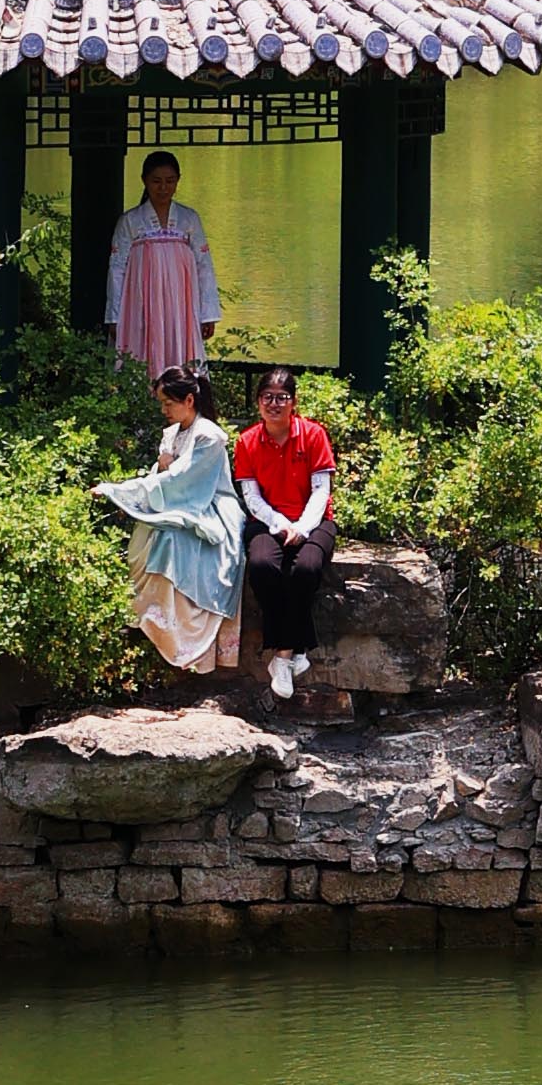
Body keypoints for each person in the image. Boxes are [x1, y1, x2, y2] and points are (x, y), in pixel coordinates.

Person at [101, 366, 243, 678]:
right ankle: (151, 614)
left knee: (171, 541)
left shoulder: (209, 435)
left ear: (189, 400)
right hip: (181, 501)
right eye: (162, 404)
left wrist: (120, 489)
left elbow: (182, 480)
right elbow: (164, 477)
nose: (164, 410)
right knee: (148, 534)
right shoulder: (172, 433)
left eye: (168, 403)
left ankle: (169, 624)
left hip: (210, 504)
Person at [230, 366, 339, 706]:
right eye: (268, 398)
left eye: (282, 398)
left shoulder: (313, 435)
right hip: (267, 521)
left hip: (314, 518)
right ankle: (298, 648)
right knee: (262, 566)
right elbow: (251, 497)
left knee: (306, 568)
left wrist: (303, 528)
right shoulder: (247, 442)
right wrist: (279, 524)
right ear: (258, 401)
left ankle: (282, 655)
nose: (274, 404)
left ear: (294, 402)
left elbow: (321, 492)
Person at [103, 150, 220, 383]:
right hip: (140, 304)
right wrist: (114, 317)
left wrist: (208, 313)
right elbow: (117, 269)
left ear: (178, 180)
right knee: (143, 347)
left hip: (181, 305)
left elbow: (203, 266)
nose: (163, 188)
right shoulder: (130, 221)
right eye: (156, 181)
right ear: (145, 181)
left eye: (170, 181)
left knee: (180, 351)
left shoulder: (189, 219)